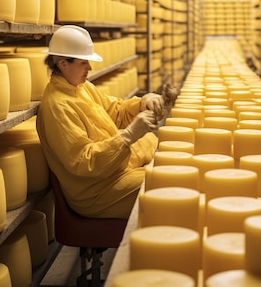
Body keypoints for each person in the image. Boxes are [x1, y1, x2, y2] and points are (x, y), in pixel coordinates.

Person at [36, 25, 177, 219]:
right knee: (167, 186)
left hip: (115, 172)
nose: (90, 68)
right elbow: (84, 163)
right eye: (84, 62)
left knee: (172, 169)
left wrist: (145, 102)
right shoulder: (57, 107)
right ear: (63, 64)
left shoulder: (82, 87)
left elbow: (116, 111)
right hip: (97, 191)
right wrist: (129, 135)